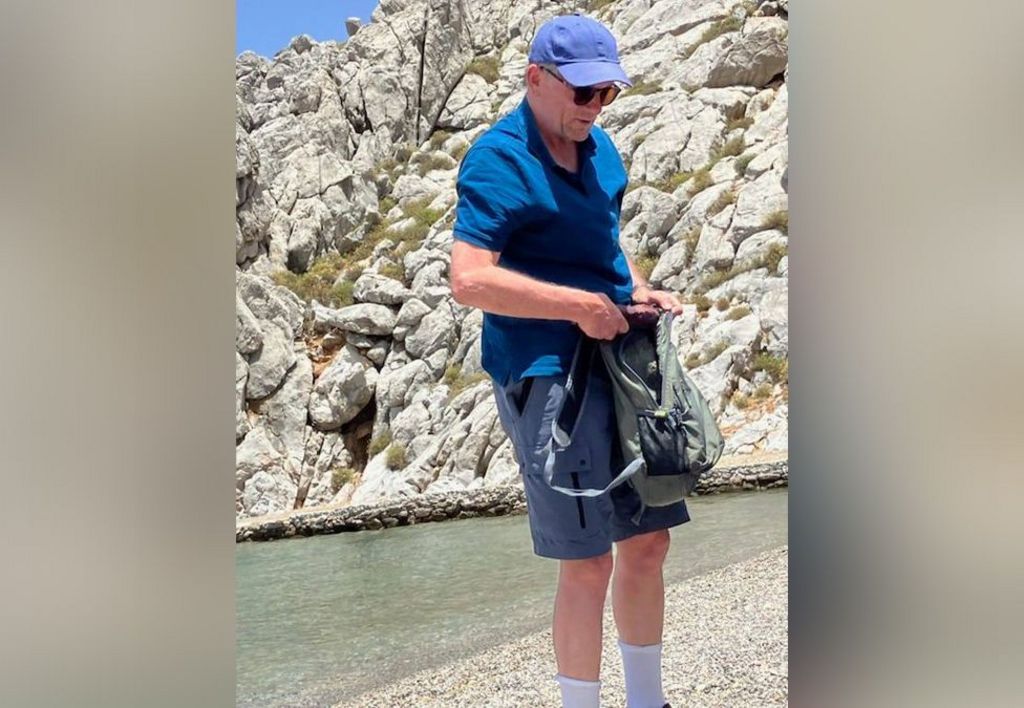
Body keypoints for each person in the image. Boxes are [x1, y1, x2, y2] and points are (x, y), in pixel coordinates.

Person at [449, 13, 689, 708]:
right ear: (535, 79)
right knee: (585, 563)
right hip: (548, 377)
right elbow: (468, 279)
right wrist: (576, 307)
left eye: (607, 93)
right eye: (583, 93)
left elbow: (607, 245)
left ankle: (649, 702)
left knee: (647, 545)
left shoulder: (601, 151)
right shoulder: (499, 160)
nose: (595, 107)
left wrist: (638, 291)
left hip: (621, 368)